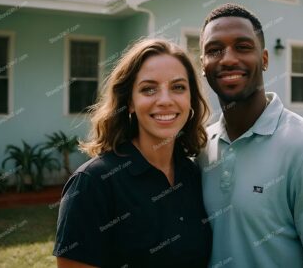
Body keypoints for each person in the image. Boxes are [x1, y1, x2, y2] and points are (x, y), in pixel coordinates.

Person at [196, 3, 303, 268]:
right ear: (202, 64)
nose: (227, 58)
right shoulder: (202, 146)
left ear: (264, 59)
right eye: (214, 50)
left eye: (243, 47)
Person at [53, 39, 212, 268]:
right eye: (149, 89)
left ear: (190, 99)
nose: (165, 100)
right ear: (129, 103)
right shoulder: (93, 183)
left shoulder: (195, 174)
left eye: (178, 87)